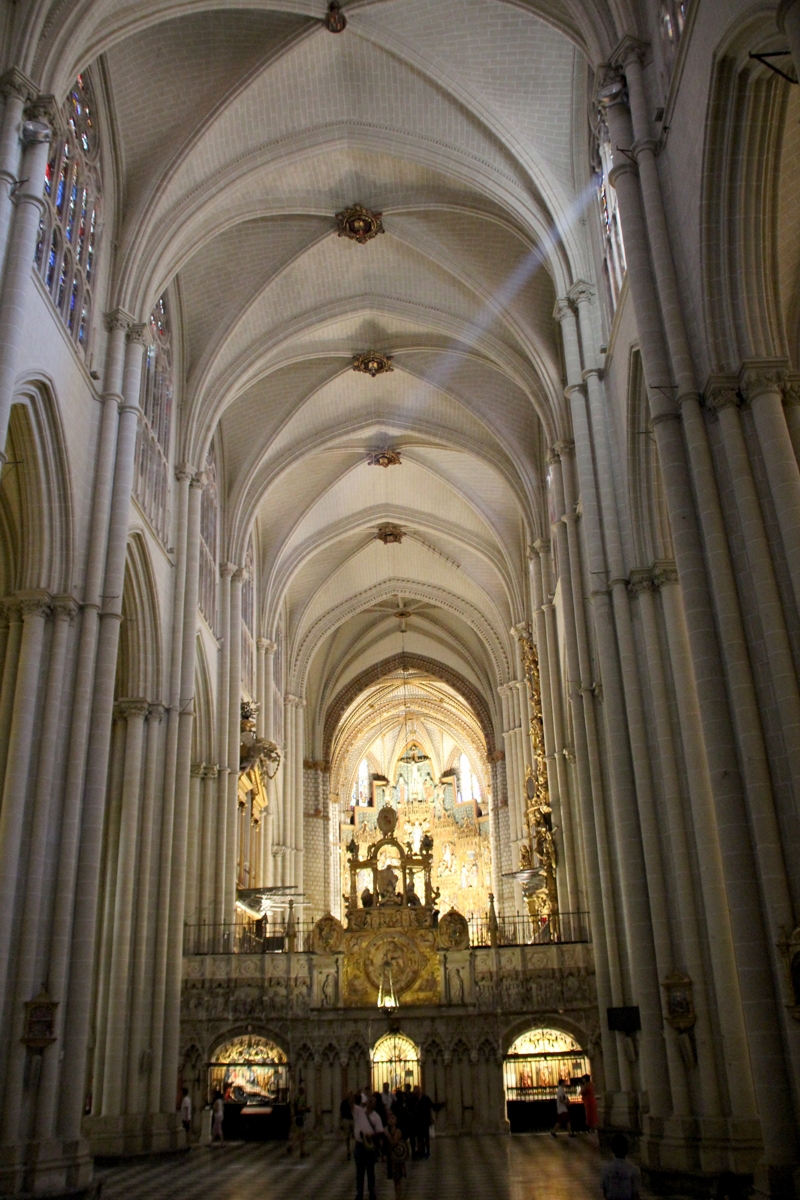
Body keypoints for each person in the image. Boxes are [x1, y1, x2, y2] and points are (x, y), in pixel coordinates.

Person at [353, 1093, 384, 1200]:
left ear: (375, 1105)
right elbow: (350, 1106)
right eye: (370, 1100)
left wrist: (372, 1136)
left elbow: (380, 1133)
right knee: (359, 1171)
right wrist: (351, 1097)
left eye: (373, 1101)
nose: (371, 1102)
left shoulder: (376, 1117)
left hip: (369, 1146)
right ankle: (359, 1193)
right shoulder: (359, 1112)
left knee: (370, 1170)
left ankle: (372, 1192)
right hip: (359, 1145)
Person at [601, 1134, 641, 1200]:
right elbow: (635, 1194)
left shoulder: (606, 1170)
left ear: (613, 1149)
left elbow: (605, 1192)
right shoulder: (633, 1170)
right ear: (627, 1149)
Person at [385, 1111, 408, 1200]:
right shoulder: (388, 1130)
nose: (391, 1120)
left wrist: (387, 1135)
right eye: (390, 1118)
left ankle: (398, 1197)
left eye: (393, 1118)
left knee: (398, 1180)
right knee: (395, 1180)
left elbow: (394, 1142)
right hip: (391, 1158)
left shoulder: (398, 1131)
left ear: (396, 1121)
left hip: (398, 1158)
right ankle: (396, 1196)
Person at [287, 1082, 310, 1156]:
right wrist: (307, 1108)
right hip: (300, 1117)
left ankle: (298, 1149)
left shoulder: (296, 1097)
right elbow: (299, 1108)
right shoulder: (301, 1097)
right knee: (301, 1134)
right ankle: (296, 1148)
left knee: (300, 1134)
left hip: (297, 1117)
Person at [413, 1085, 433, 1159]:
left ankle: (427, 1152)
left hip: (425, 1121)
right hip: (417, 1121)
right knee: (419, 1138)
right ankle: (421, 1152)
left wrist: (430, 1118)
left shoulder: (425, 1098)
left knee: (426, 1137)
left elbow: (430, 1107)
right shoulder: (414, 1099)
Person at [341, 1091, 355, 1160]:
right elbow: (341, 1112)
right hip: (346, 1119)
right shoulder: (343, 1102)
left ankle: (354, 1149)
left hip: (352, 1120)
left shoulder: (354, 1103)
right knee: (347, 1136)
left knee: (355, 1135)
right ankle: (348, 1150)